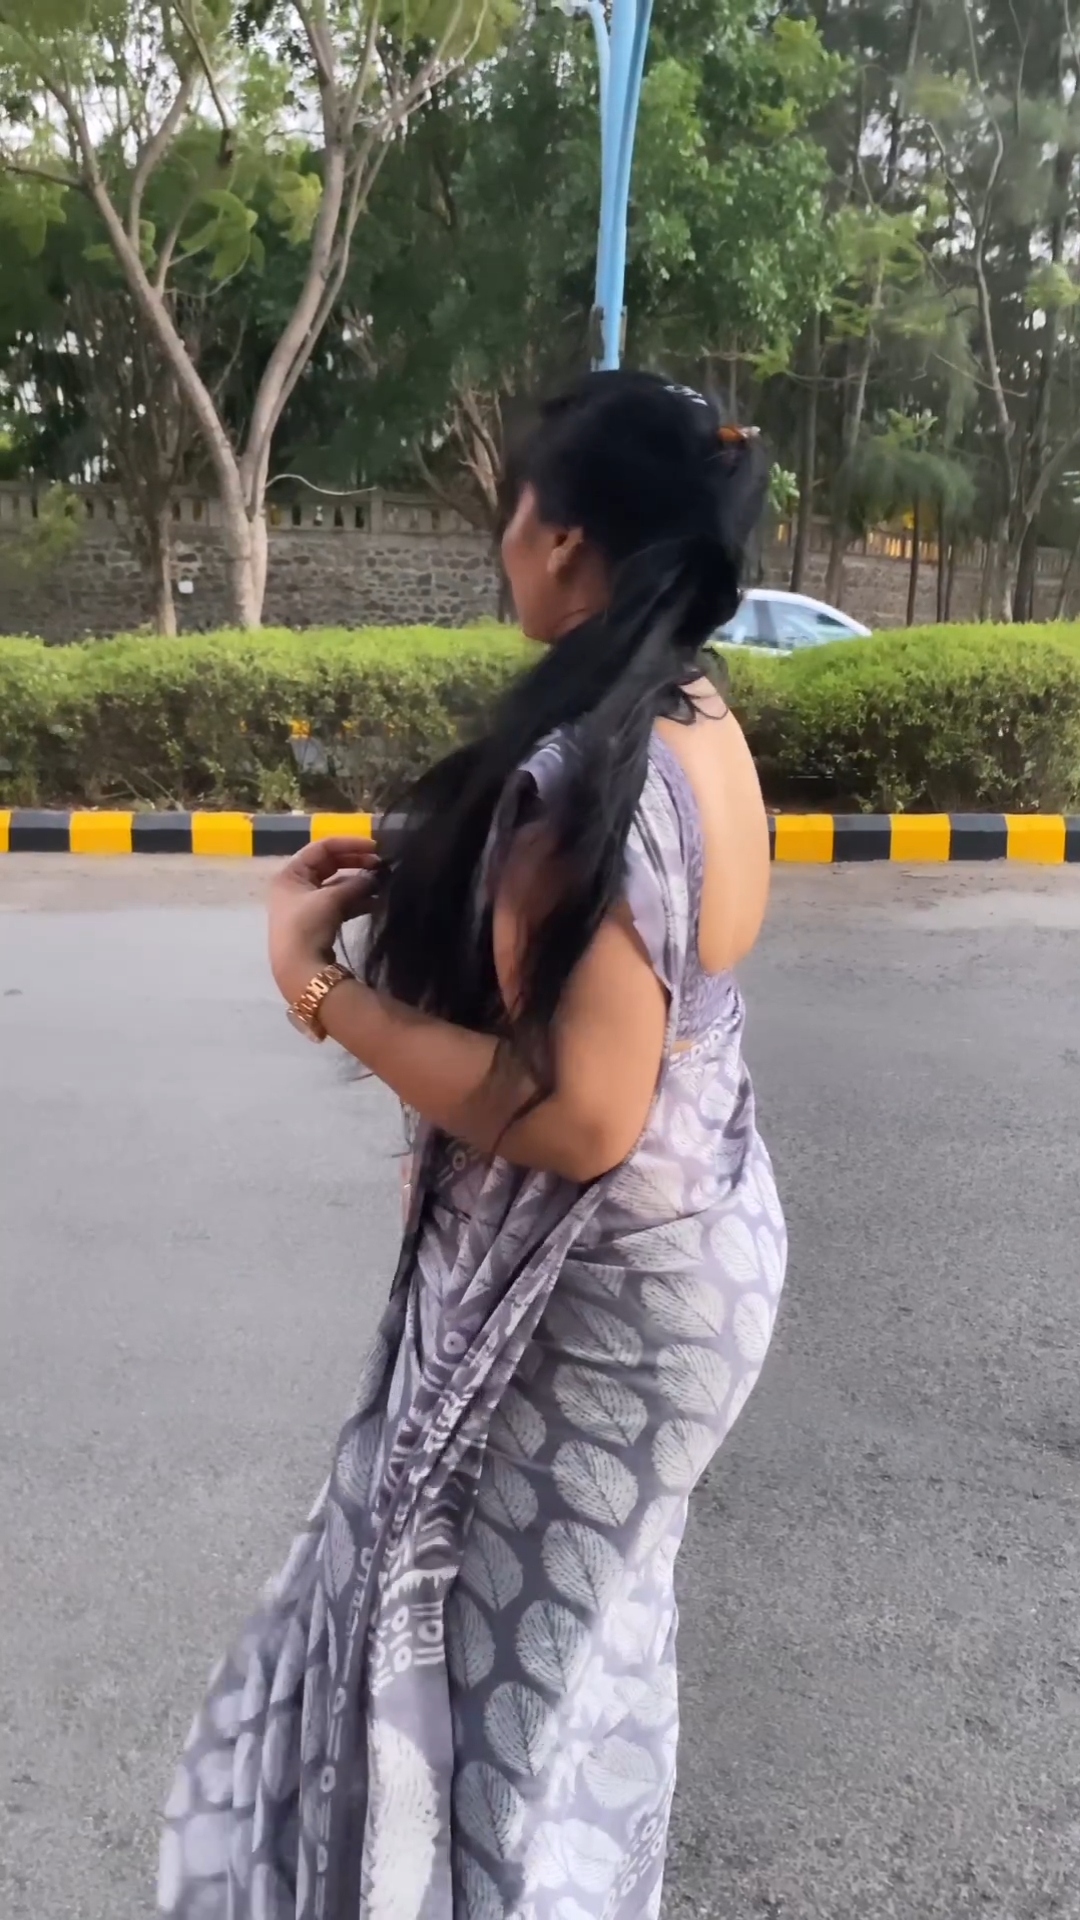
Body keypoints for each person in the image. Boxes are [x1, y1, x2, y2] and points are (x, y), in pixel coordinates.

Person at [159, 370, 787, 1920]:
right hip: (703, 1254)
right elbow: (657, 981)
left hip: (597, 1311)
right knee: (579, 1681)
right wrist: (445, 865)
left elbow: (579, 1113)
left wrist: (318, 987)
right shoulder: (697, 719)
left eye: (511, 513)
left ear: (562, 541)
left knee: (497, 1727)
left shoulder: (585, 777)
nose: (500, 544)